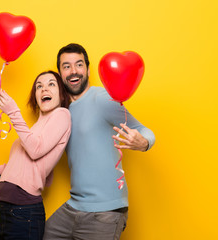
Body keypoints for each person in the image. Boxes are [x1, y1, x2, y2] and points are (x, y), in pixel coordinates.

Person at [43, 43, 156, 240]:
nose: (73, 71)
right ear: (60, 73)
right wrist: (6, 178)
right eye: (66, 66)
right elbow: (42, 154)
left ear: (87, 68)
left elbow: (144, 130)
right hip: (74, 206)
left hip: (105, 212)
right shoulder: (61, 111)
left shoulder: (102, 98)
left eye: (79, 64)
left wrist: (144, 142)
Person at [0, 70, 71, 240]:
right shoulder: (36, 127)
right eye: (39, 86)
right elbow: (23, 165)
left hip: (24, 213)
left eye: (51, 84)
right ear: (35, 97)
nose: (44, 89)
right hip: (6, 210)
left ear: (61, 96)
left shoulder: (62, 115)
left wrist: (13, 112)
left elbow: (35, 150)